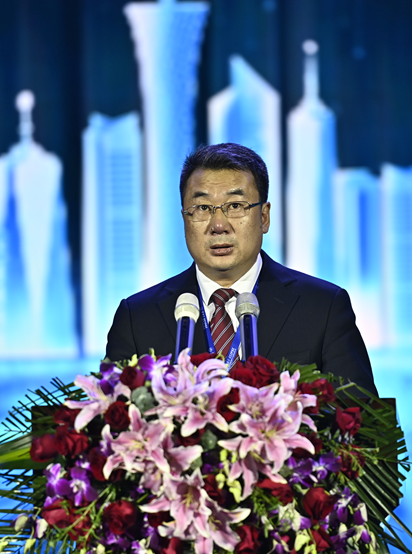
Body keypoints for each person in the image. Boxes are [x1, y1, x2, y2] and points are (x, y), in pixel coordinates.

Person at [105, 142, 377, 395]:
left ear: (264, 217)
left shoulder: (322, 308)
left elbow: (362, 419)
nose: (218, 225)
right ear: (185, 219)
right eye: (202, 208)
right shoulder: (137, 318)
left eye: (235, 206)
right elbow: (109, 418)